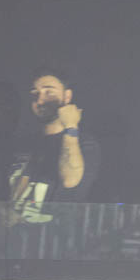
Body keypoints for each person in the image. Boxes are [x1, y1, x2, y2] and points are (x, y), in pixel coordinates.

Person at [7, 66, 99, 221]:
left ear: (67, 96)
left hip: (53, 233)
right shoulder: (24, 143)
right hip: (14, 232)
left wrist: (71, 127)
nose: (40, 100)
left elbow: (70, 180)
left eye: (49, 92)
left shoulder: (85, 143)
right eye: (35, 93)